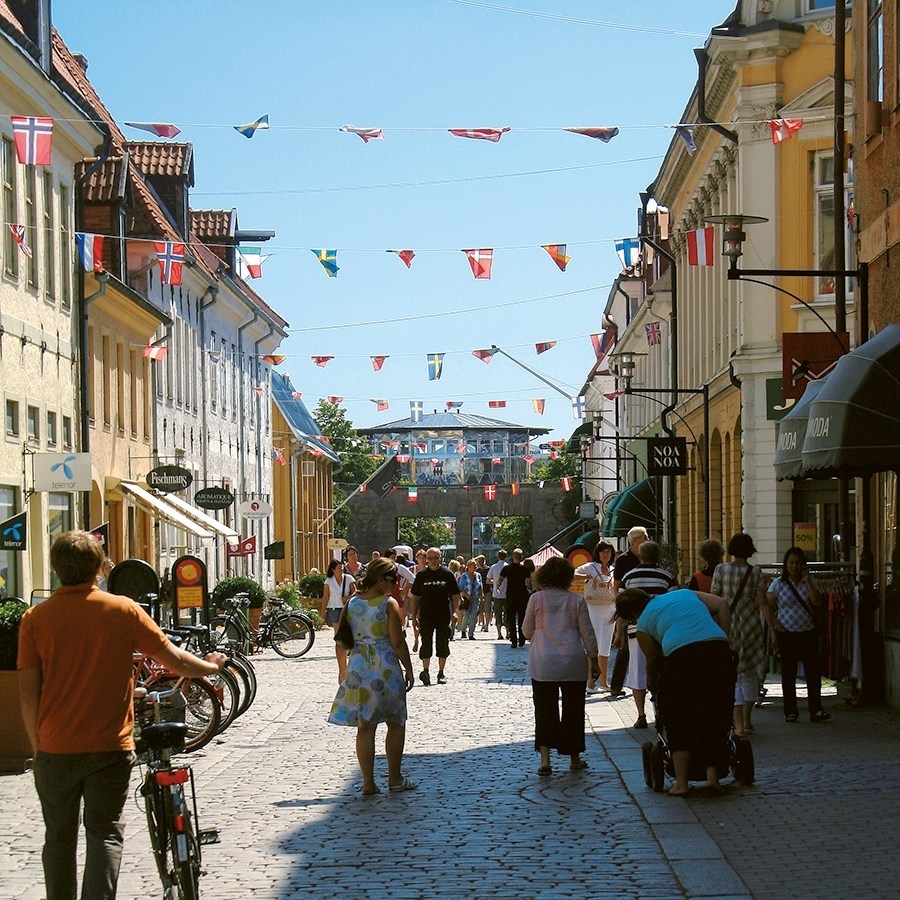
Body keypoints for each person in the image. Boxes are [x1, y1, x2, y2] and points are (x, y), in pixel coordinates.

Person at [17, 530, 226, 900]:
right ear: (99, 568)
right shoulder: (123, 610)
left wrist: (38, 743)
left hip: (55, 747)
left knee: (59, 838)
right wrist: (211, 667)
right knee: (105, 833)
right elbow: (174, 660)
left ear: (54, 568)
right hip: (109, 746)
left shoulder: (36, 618)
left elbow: (28, 691)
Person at [617, 586, 733, 797]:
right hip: (717, 651)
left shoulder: (643, 624)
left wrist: (653, 684)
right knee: (713, 713)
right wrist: (724, 637)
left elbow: (653, 661)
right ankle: (712, 778)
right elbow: (722, 605)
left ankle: (681, 783)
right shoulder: (685, 593)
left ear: (632, 615)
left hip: (682, 658)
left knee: (680, 717)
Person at [327, 558, 417, 795]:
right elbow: (397, 641)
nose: (396, 584)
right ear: (380, 579)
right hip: (385, 666)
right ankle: (395, 779)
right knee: (395, 722)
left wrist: (342, 669)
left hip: (359, 667)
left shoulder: (352, 603)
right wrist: (408, 668)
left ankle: (368, 783)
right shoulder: (388, 604)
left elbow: (341, 641)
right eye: (393, 579)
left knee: (365, 727)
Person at [522, 556, 599, 775]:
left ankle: (545, 761)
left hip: (543, 661)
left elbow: (526, 632)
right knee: (574, 710)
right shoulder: (577, 601)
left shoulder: (536, 600)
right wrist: (592, 659)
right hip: (572, 661)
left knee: (544, 710)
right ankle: (574, 757)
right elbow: (588, 634)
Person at [765, 547, 831, 724]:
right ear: (786, 565)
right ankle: (790, 711)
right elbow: (767, 606)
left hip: (807, 632)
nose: (794, 566)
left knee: (813, 673)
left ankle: (816, 709)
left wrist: (807, 581)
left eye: (797, 563)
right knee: (788, 674)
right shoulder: (778, 584)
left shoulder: (810, 582)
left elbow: (817, 602)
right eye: (791, 563)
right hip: (787, 633)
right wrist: (775, 625)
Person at [711, 533, 767, 735]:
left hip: (727, 627)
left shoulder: (720, 570)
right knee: (749, 674)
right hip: (751, 627)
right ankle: (748, 720)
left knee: (732, 675)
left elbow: (714, 599)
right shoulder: (756, 573)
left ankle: (738, 724)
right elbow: (762, 603)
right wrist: (774, 625)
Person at [617, 541, 675, 728]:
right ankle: (662, 710)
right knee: (663, 670)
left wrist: (619, 632)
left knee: (637, 672)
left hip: (636, 630)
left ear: (639, 556)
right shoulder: (666, 577)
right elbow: (672, 603)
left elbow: (622, 606)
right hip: (662, 631)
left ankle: (641, 714)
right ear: (658, 556)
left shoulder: (629, 577)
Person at [409, 548, 461, 685]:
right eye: (430, 558)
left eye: (435, 558)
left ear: (440, 558)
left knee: (442, 643)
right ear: (426, 559)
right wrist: (413, 617)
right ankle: (425, 671)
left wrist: (455, 611)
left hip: (443, 615)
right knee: (426, 643)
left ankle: (441, 673)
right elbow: (415, 597)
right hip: (426, 615)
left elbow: (456, 595)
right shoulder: (421, 575)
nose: (432, 561)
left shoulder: (447, 574)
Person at [608, 526, 649, 698]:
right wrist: (621, 609)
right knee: (625, 649)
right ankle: (616, 686)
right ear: (634, 541)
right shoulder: (624, 560)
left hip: (647, 610)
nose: (647, 539)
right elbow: (617, 586)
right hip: (630, 609)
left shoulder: (648, 556)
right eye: (644, 536)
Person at [575, 540, 617, 693]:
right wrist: (586, 578)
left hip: (610, 609)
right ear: (598, 553)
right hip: (593, 609)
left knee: (605, 646)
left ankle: (604, 682)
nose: (606, 555)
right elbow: (574, 573)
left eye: (608, 552)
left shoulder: (613, 569)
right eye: (603, 552)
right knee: (593, 645)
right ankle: (590, 681)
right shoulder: (591, 567)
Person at [324, 558, 357, 683]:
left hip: (347, 608)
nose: (341, 569)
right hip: (333, 608)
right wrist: (323, 611)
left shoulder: (348, 579)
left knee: (347, 631)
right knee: (338, 633)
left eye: (341, 567)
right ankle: (343, 651)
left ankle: (346, 649)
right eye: (338, 567)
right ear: (333, 569)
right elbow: (325, 596)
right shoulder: (329, 581)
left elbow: (356, 592)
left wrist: (347, 597)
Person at [497, 548, 531, 648]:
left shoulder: (507, 568)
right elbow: (529, 583)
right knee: (522, 618)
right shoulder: (525, 569)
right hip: (522, 595)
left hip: (511, 595)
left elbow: (500, 580)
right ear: (521, 557)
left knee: (511, 618)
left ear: (513, 557)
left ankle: (513, 640)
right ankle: (522, 639)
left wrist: (497, 588)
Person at [457, 559, 483, 640]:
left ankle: (471, 633)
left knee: (474, 616)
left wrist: (481, 596)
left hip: (475, 598)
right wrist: (465, 595)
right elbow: (460, 588)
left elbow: (480, 586)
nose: (475, 567)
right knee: (467, 615)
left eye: (475, 565)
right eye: (473, 565)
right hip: (466, 599)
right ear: (468, 566)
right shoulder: (464, 576)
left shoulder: (478, 575)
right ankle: (463, 630)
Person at [486, 549, 508, 640]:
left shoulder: (493, 567)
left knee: (498, 613)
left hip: (496, 594)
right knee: (507, 613)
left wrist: (495, 582)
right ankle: (508, 632)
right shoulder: (508, 566)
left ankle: (499, 633)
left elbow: (487, 580)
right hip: (507, 593)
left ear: (498, 556)